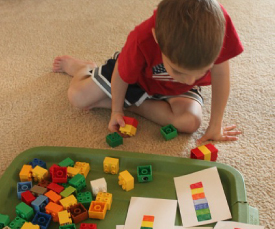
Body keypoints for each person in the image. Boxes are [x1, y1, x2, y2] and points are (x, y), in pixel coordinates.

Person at [53, 0, 243, 144]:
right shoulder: (141, 39)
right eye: (179, 70)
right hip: (136, 80)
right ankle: (83, 68)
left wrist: (215, 124)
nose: (190, 80)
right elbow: (120, 74)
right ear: (157, 40)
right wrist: (116, 110)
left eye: (202, 71)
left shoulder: (218, 28)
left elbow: (221, 74)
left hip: (175, 93)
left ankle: (134, 105)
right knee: (77, 97)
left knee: (190, 122)